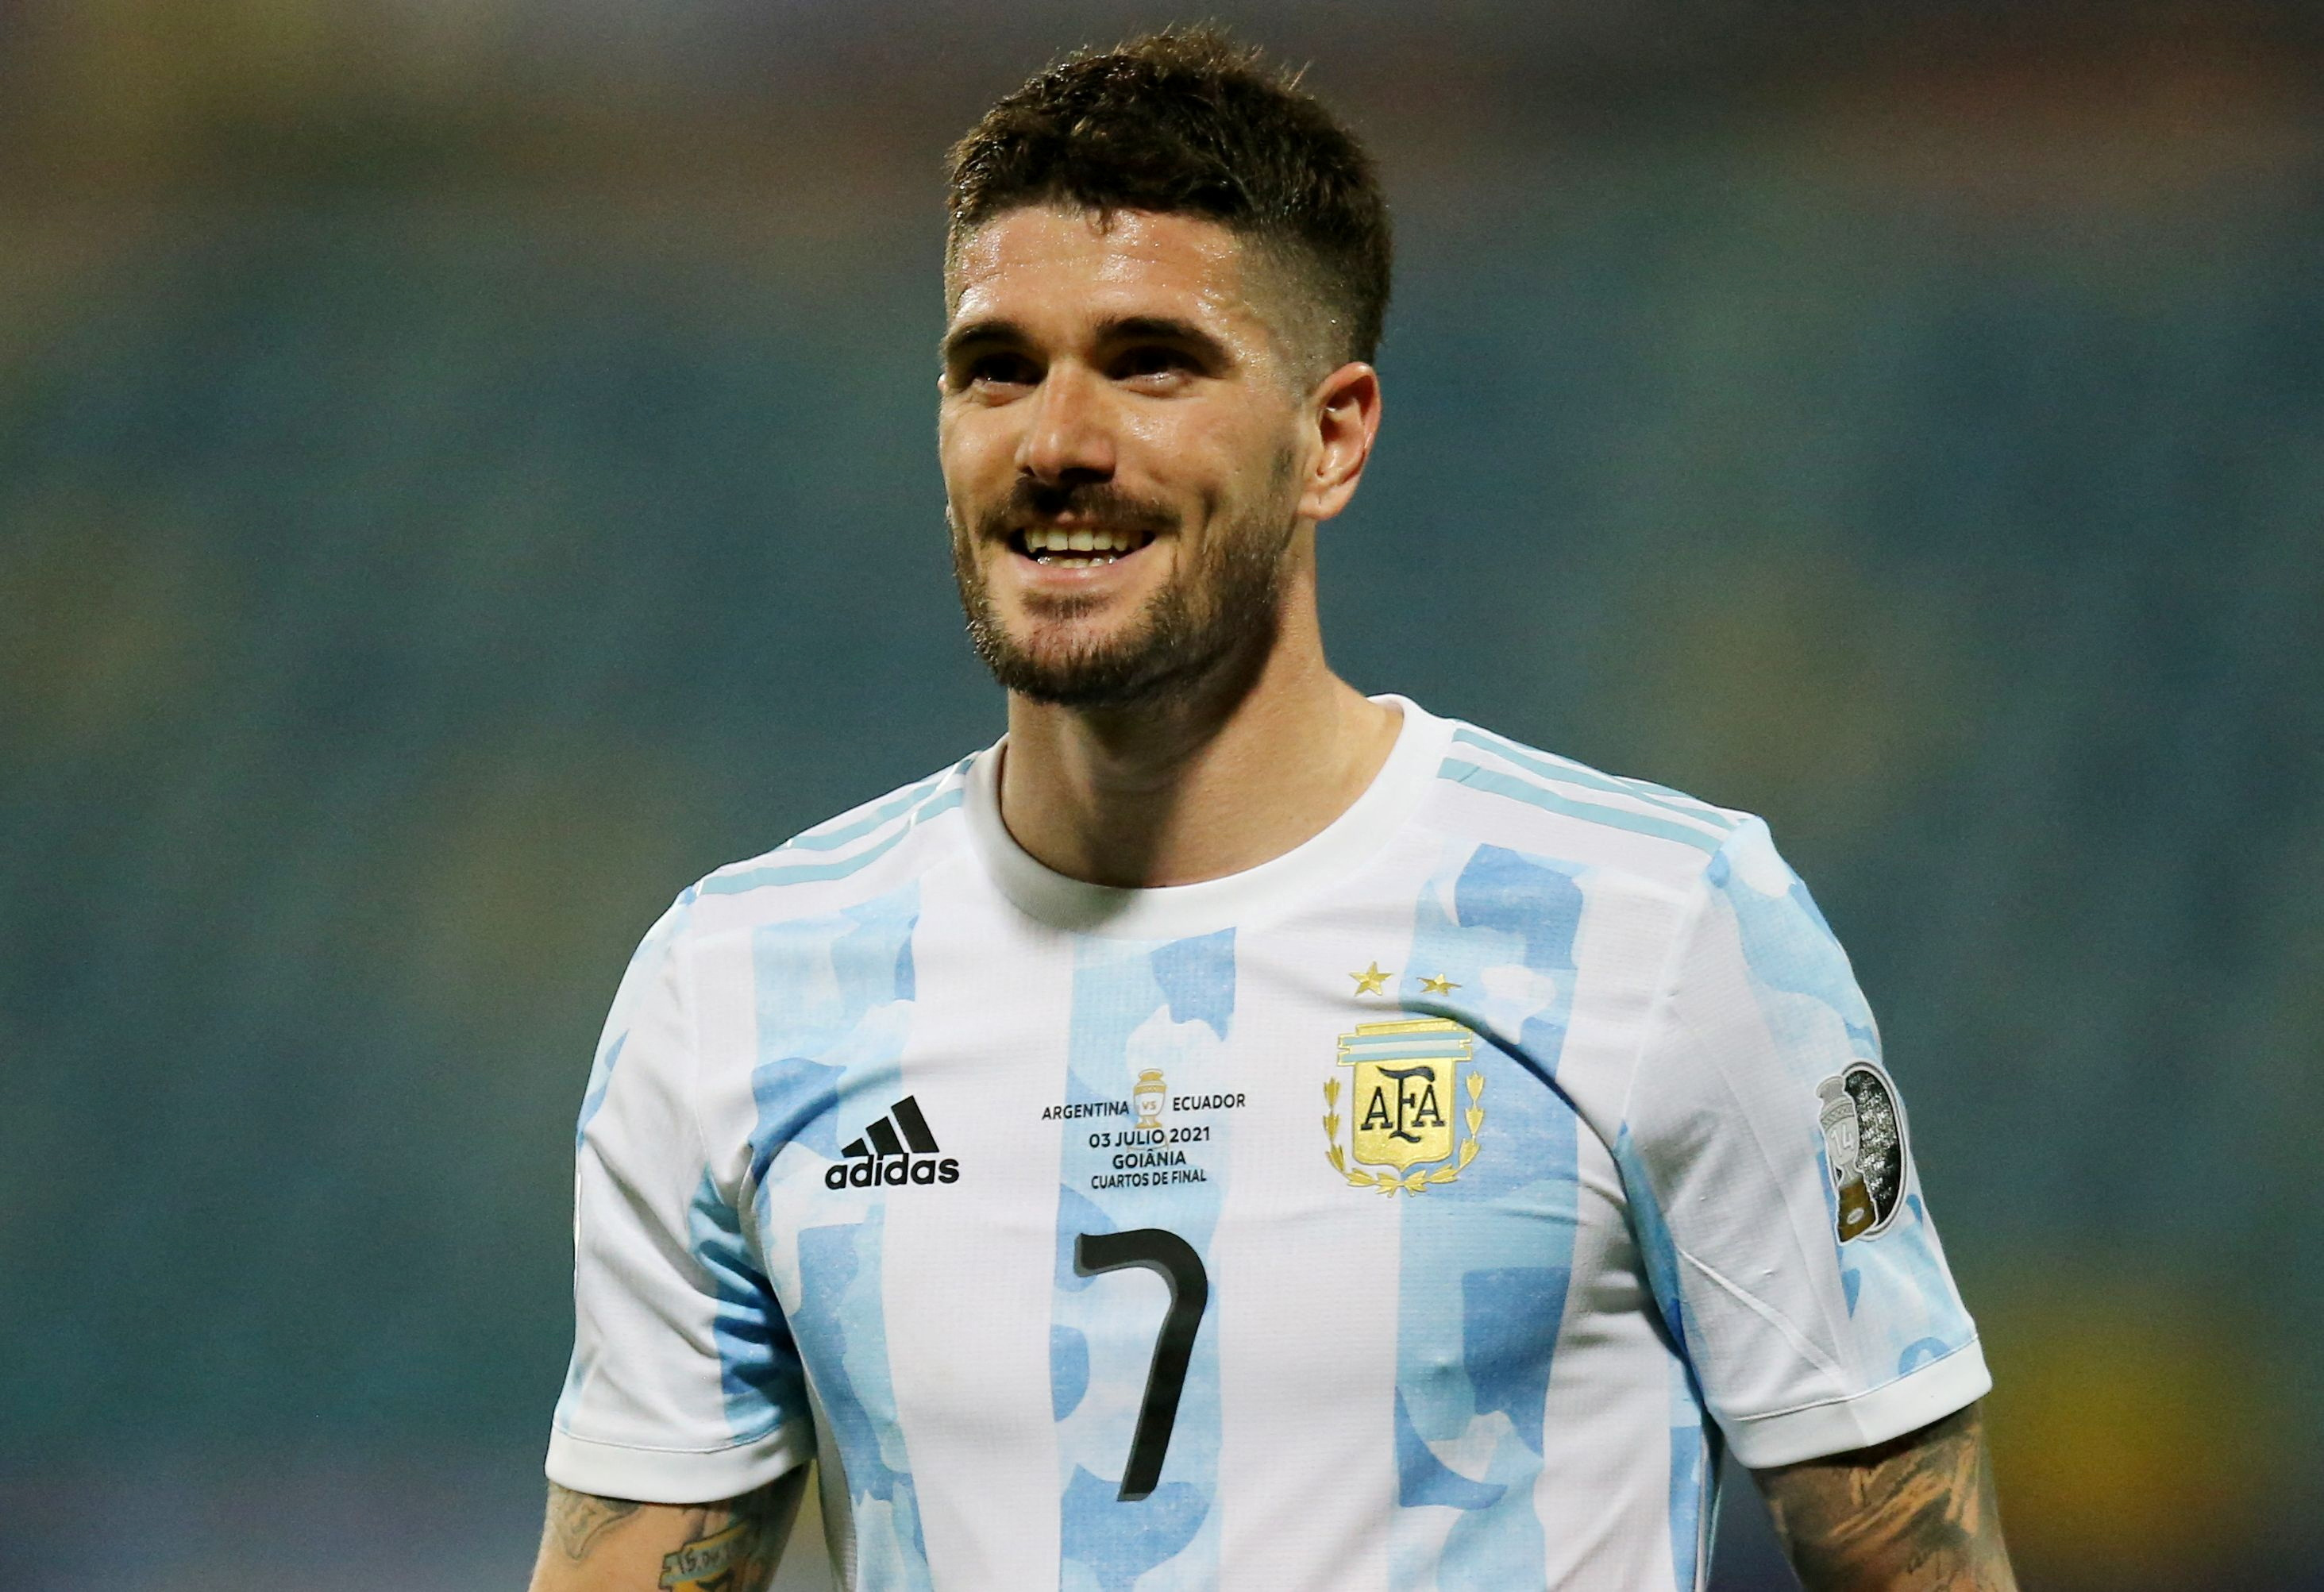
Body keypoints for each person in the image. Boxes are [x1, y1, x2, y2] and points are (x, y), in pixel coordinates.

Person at [528, 28, 2018, 1592]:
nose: (1057, 445)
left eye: (1153, 361)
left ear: (1333, 436)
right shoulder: (739, 988)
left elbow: (1913, 1563)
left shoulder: (1664, 929)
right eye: (998, 368)